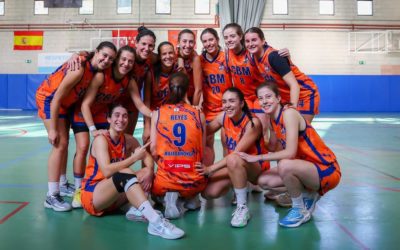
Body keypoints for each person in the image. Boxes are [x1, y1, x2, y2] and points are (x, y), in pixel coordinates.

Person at [238, 81, 341, 228]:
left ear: (279, 98)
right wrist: (255, 135)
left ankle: (299, 209)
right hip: (306, 168)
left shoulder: (289, 114)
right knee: (263, 180)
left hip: (326, 170)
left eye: (268, 96)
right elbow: (273, 147)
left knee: (285, 164)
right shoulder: (273, 119)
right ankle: (308, 194)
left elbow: (290, 152)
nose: (264, 101)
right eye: (261, 98)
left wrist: (258, 157)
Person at [81, 103, 184, 240]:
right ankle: (155, 222)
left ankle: (137, 210)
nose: (121, 119)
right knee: (126, 173)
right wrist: (134, 158)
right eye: (116, 115)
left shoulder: (128, 140)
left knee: (143, 173)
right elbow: (106, 171)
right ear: (109, 119)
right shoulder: (101, 140)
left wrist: (148, 170)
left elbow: (146, 157)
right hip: (94, 196)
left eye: (124, 116)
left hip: (114, 199)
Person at [36, 41, 117, 212]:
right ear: (96, 52)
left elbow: (83, 53)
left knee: (64, 145)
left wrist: (78, 53)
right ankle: (51, 195)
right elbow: (56, 97)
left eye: (111, 58)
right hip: (50, 99)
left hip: (65, 104)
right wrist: (51, 128)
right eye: (104, 55)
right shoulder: (79, 68)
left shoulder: (93, 69)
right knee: (60, 145)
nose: (107, 60)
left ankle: (63, 184)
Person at [71, 46, 153, 208]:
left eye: (130, 61)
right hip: (84, 112)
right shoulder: (102, 75)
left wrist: (159, 117)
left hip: (101, 112)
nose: (126, 63)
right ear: (116, 60)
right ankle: (79, 189)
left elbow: (140, 105)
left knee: (109, 146)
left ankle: (109, 187)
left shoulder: (129, 81)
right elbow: (85, 104)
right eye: (123, 59)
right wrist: (93, 130)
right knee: (83, 146)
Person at [196, 87, 269, 228]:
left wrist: (210, 169)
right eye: (224, 102)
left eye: (231, 101)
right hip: (235, 166)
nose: (227, 105)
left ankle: (242, 207)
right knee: (208, 192)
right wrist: (193, 118)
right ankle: (237, 183)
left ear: (241, 103)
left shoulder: (252, 123)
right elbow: (204, 132)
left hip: (256, 168)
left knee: (233, 158)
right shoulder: (223, 117)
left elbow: (236, 153)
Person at [150, 72, 207, 219]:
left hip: (165, 180)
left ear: (169, 89)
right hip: (193, 181)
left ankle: (169, 195)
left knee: (155, 192)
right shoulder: (198, 114)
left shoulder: (158, 113)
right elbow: (202, 148)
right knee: (197, 173)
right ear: (187, 90)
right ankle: (189, 197)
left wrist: (167, 164)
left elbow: (153, 150)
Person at [244, 27, 320, 123]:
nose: (250, 44)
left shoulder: (273, 57)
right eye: (247, 41)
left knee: (299, 132)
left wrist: (292, 108)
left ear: (263, 41)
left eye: (254, 40)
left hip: (304, 94)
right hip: (286, 96)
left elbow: (294, 85)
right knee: (281, 131)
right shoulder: (254, 57)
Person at [199, 28, 232, 166]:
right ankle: (208, 173)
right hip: (208, 109)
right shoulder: (199, 60)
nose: (208, 43)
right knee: (207, 143)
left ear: (217, 40)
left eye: (211, 39)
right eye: (205, 41)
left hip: (226, 108)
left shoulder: (227, 57)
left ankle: (228, 174)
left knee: (226, 141)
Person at [150, 41, 180, 111]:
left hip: (172, 115)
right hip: (155, 114)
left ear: (175, 54)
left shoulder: (178, 71)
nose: (168, 56)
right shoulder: (152, 73)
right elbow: (147, 101)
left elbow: (183, 98)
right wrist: (148, 121)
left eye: (170, 53)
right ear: (159, 57)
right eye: (164, 54)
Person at [176, 29, 203, 106]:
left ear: (194, 43)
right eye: (184, 41)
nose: (188, 45)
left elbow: (198, 89)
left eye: (191, 42)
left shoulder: (195, 58)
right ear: (178, 42)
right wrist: (180, 60)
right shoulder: (172, 54)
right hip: (174, 97)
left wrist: (193, 109)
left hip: (191, 96)